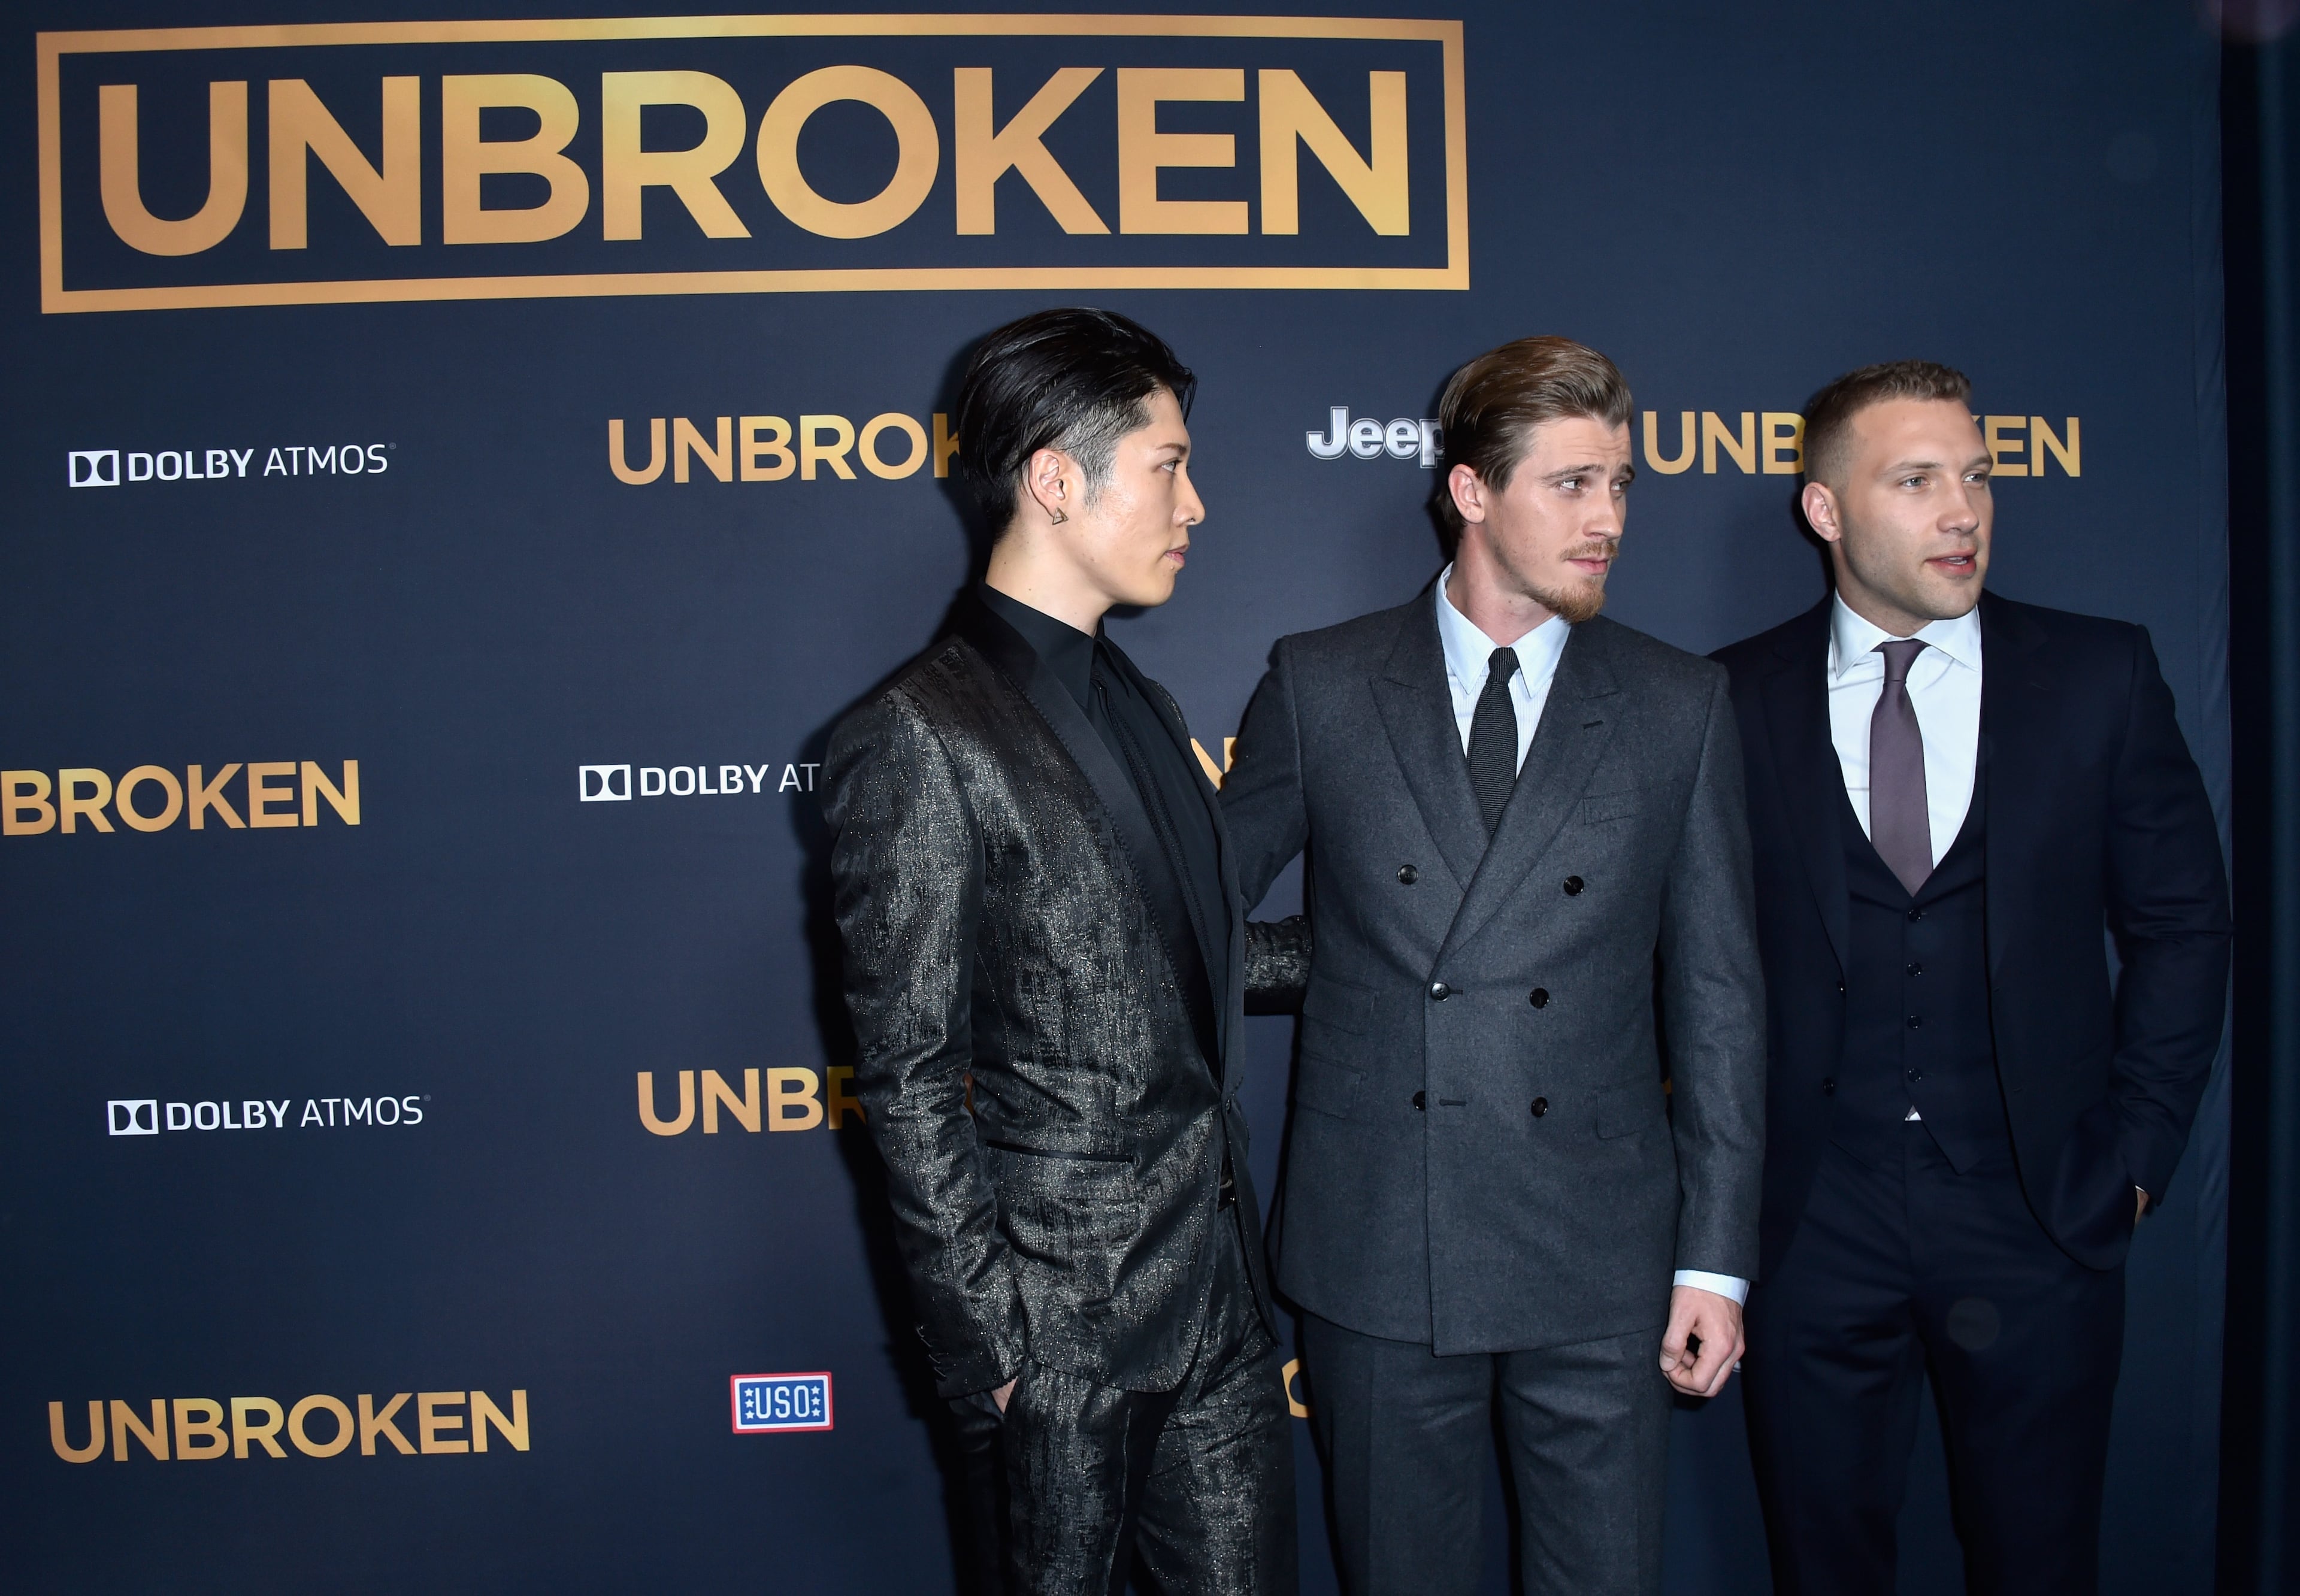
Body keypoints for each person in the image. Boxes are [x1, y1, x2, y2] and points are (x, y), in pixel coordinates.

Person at [1221, 335, 1766, 1596]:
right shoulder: (1324, 681)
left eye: (1621, 485)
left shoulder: (1680, 702)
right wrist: (1346, 965)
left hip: (1603, 1251)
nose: (1609, 519)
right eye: (1572, 485)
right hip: (1378, 1240)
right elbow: (1197, 910)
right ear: (1472, 492)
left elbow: (1721, 998)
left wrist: (1714, 1260)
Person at [1711, 359, 2231, 1594]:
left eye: (1980, 478)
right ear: (1826, 512)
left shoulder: (2100, 675)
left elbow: (2184, 928)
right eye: (1918, 480)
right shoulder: (1724, 699)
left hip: (2038, 1215)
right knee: (1820, 1567)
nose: (1965, 511)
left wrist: (2138, 1159)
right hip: (1809, 1226)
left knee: (2039, 1564)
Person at [822, 308, 1299, 1596]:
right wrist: (995, 1350)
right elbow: (909, 1080)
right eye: (1169, 465)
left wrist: (1410, 953)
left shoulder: (1140, 698)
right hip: (1059, 1333)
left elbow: (1166, 960)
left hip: (1216, 1296)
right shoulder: (917, 734)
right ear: (1054, 478)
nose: (1196, 504)